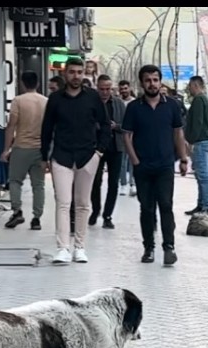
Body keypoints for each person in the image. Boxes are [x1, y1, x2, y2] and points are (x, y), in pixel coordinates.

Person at [40, 57, 112, 265]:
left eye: (79, 72)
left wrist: (99, 152)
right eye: (72, 72)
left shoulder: (93, 98)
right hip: (61, 157)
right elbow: (46, 129)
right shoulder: (55, 99)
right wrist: (44, 156)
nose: (76, 76)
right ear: (65, 74)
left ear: (84, 74)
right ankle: (62, 248)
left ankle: (79, 248)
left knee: (82, 204)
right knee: (63, 203)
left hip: (87, 156)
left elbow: (105, 125)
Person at [121, 64, 188, 267]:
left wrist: (183, 159)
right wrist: (135, 160)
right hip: (143, 166)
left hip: (165, 165)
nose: (152, 83)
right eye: (148, 80)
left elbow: (178, 133)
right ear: (142, 83)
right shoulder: (134, 107)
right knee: (147, 208)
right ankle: (148, 247)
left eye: (155, 79)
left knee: (166, 206)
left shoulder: (172, 105)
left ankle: (169, 247)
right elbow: (127, 135)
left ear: (160, 82)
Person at [1, 70, 49, 230]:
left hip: (21, 147)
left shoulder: (18, 101)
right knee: (39, 185)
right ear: (38, 83)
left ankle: (17, 211)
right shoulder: (45, 101)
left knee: (15, 181)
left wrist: (6, 149)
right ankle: (36, 219)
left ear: (22, 83)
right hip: (40, 148)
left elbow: (11, 126)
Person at [88, 75, 125, 230]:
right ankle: (95, 209)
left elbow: (127, 125)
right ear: (97, 88)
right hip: (96, 148)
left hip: (115, 148)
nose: (104, 92)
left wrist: (115, 126)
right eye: (102, 89)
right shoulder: (91, 103)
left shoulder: (118, 104)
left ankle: (107, 215)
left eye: (107, 89)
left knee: (113, 183)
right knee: (95, 182)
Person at [182, 75, 208, 216]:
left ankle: (206, 206)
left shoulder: (198, 101)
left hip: (199, 142)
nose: (189, 89)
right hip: (206, 141)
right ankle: (201, 204)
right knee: (201, 175)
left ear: (196, 86)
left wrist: (190, 140)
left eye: (190, 86)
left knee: (203, 175)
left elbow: (197, 123)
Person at [117, 80, 137, 197]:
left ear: (129, 88)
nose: (123, 91)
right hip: (121, 136)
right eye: (121, 89)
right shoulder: (118, 103)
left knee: (133, 161)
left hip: (134, 136)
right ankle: (123, 184)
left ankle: (133, 184)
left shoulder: (135, 102)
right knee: (122, 162)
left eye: (125, 88)